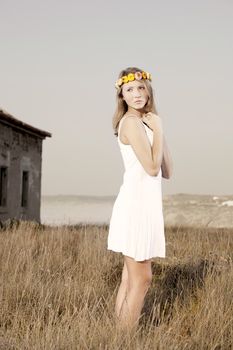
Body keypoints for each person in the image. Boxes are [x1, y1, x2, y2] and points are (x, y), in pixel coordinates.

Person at [107, 67, 173, 331]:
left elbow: (167, 171)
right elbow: (152, 168)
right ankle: (126, 339)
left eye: (141, 87)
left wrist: (158, 130)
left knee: (129, 280)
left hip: (145, 207)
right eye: (130, 89)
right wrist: (157, 130)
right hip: (135, 208)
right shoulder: (131, 123)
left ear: (149, 90)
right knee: (143, 279)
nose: (136, 94)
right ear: (122, 95)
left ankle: (118, 337)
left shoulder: (146, 123)